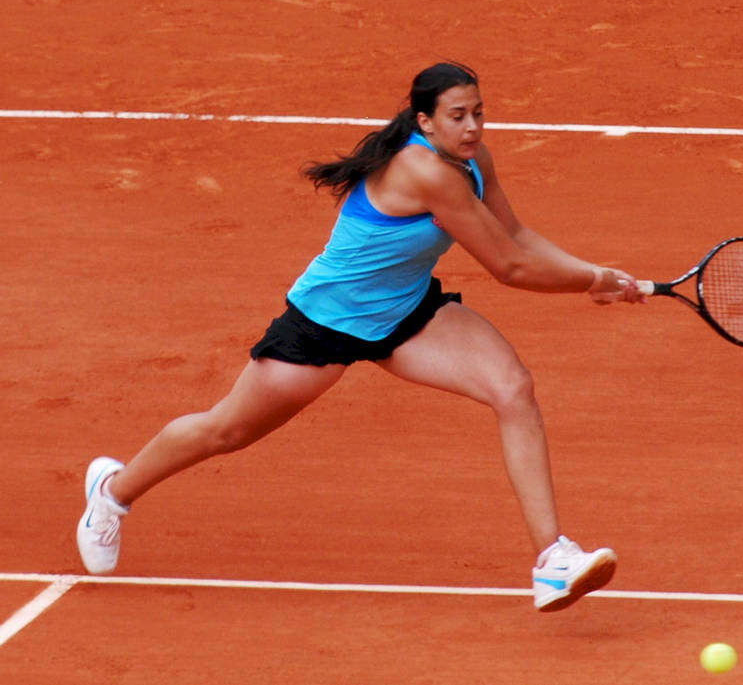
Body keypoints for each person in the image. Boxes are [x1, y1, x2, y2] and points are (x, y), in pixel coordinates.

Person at [77, 61, 644, 612]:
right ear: (425, 122)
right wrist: (592, 280)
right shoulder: (427, 173)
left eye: (478, 113)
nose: (471, 127)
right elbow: (510, 267)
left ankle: (552, 559)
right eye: (456, 116)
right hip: (327, 324)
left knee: (513, 388)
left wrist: (598, 273)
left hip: (405, 315)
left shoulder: (474, 159)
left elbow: (515, 233)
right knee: (226, 430)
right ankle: (113, 493)